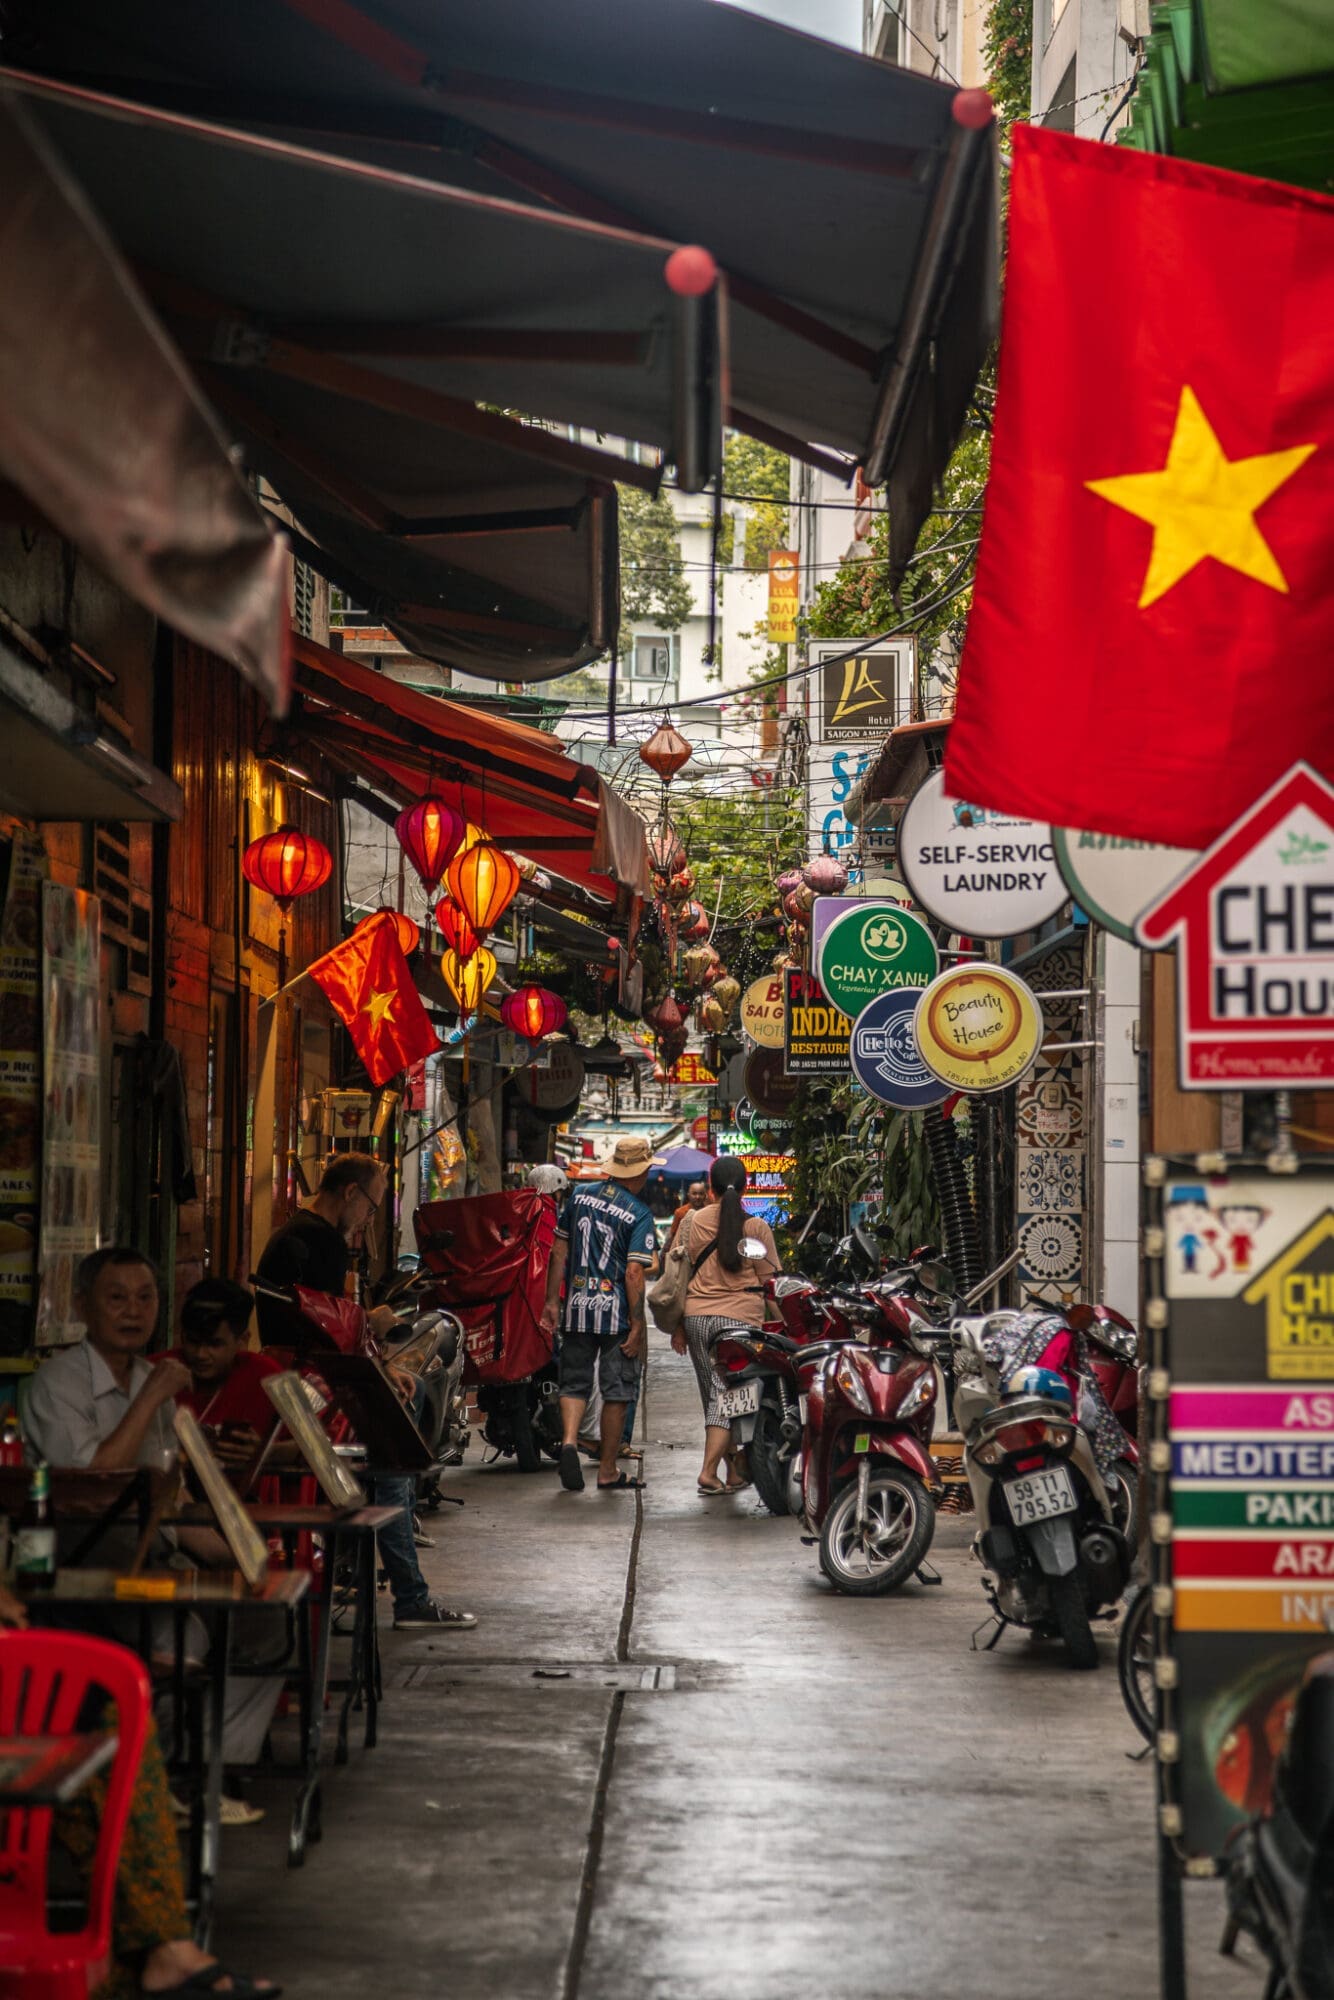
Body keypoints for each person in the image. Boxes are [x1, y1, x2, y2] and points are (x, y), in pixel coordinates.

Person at [21, 1248, 287, 1814]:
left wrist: (240, 1553)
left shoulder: (153, 1380)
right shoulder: (57, 1384)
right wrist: (149, 1399)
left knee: (268, 1617)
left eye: (145, 1298)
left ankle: (214, 1768)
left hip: (157, 1557)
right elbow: (94, 1487)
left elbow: (173, 1497)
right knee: (181, 1640)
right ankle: (151, 1780)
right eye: (116, 1298)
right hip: (86, 1564)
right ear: (82, 1307)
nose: (132, 1311)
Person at [256, 1154, 475, 1631]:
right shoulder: (322, 1241)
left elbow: (324, 1327)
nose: (369, 1220)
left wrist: (373, 1364)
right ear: (351, 1194)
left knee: (404, 1400)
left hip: (299, 1381)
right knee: (393, 1457)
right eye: (372, 1207)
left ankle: (372, 1570)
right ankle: (409, 1596)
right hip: (312, 1388)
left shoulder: (295, 1233)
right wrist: (371, 1330)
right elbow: (333, 1333)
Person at [540, 1135, 658, 1494]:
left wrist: (552, 1301)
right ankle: (607, 1470)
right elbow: (635, 1273)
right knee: (617, 1390)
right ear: (638, 1174)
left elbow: (558, 1251)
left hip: (577, 1307)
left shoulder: (579, 1196)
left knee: (574, 1382)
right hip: (615, 1315)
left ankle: (572, 1441)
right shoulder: (639, 1213)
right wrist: (638, 1324)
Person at [672, 1156, 782, 1496]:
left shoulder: (691, 1221)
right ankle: (708, 1472)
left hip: (697, 1320)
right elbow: (772, 1286)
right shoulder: (757, 1228)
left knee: (715, 1396)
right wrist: (783, 1324)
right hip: (739, 1325)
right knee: (728, 1399)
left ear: (710, 1187)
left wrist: (678, 1326)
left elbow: (679, 1275)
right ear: (746, 1185)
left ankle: (732, 1473)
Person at [161, 1277, 285, 1470]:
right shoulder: (158, 1372)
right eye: (193, 1342)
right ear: (182, 1336)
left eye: (214, 1344)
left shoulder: (267, 1378)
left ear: (242, 1340)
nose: (201, 1354)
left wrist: (265, 1451)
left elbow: (318, 1447)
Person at [667, 1179, 709, 1247]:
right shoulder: (680, 1212)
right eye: (694, 1193)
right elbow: (673, 1234)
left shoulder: (709, 1212)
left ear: (705, 1196)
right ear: (688, 1195)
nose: (697, 1197)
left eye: (701, 1194)